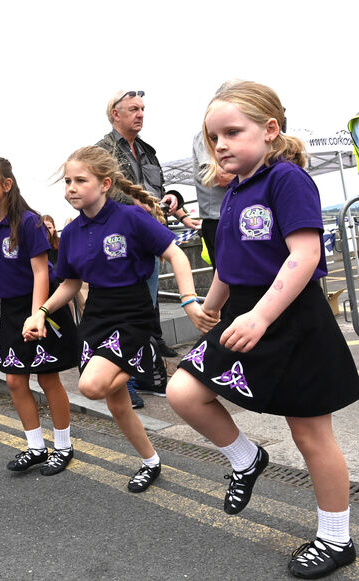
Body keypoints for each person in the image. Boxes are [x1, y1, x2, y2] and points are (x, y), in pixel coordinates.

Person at [166, 81, 358, 579]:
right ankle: (246, 458)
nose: (222, 144)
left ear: (270, 130)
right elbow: (230, 265)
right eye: (214, 137)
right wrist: (206, 306)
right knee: (184, 391)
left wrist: (261, 316)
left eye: (233, 131)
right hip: (244, 313)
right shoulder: (233, 190)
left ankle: (336, 538)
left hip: (290, 316)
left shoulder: (287, 179)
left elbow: (305, 255)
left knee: (310, 434)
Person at [22, 146, 215, 492]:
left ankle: (146, 357)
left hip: (133, 310)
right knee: (117, 402)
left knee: (91, 386)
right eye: (67, 181)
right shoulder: (72, 234)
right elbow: (70, 283)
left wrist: (188, 300)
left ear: (105, 183)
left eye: (80, 180)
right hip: (96, 313)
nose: (71, 188)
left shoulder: (130, 217)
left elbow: (175, 254)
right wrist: (41, 312)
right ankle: (151, 461)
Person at [0, 155, 78, 475]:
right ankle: (36, 446)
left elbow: (41, 272)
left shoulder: (29, 222)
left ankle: (63, 446)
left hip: (40, 307)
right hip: (11, 309)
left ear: (6, 185)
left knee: (47, 377)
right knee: (14, 380)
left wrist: (38, 313)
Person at [96, 88, 185, 403]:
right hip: (120, 244)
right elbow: (98, 196)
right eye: (134, 109)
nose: (141, 114)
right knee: (125, 314)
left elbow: (156, 188)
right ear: (115, 114)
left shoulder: (148, 151)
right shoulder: (101, 151)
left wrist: (173, 198)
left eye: (143, 109)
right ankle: (124, 383)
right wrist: (138, 202)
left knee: (145, 312)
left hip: (152, 240)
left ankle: (146, 375)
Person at [192, 130, 234, 271]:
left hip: (234, 218)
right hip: (218, 220)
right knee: (228, 278)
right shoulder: (205, 135)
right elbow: (220, 177)